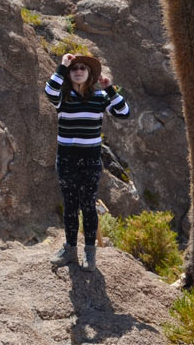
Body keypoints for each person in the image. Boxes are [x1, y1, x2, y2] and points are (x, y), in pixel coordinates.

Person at [44, 52, 130, 271]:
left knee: (88, 205)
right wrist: (63, 65)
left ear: (89, 73)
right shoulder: (62, 98)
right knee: (70, 206)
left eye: (83, 68)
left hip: (91, 160)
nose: (78, 71)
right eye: (74, 69)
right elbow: (50, 91)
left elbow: (124, 112)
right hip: (67, 160)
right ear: (69, 74)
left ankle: (90, 254)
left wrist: (109, 88)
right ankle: (70, 250)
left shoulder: (100, 97)